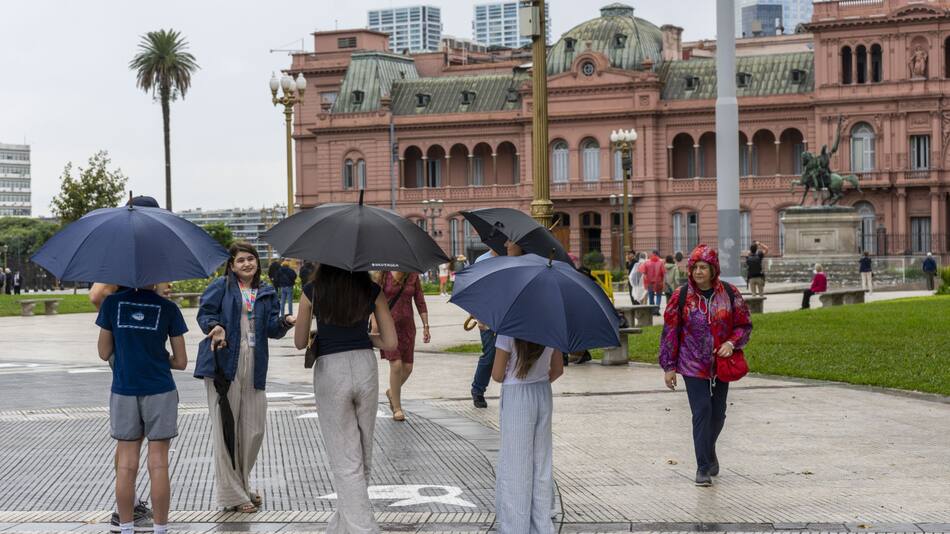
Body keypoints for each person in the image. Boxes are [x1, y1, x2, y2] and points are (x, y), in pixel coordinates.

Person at [293, 264, 397, 533]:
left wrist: (322, 333)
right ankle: (343, 524)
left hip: (330, 370)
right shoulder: (372, 290)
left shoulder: (311, 291)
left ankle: (362, 528)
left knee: (344, 455)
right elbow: (390, 343)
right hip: (364, 367)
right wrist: (362, 338)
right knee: (362, 449)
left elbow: (299, 340)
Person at [195, 242, 295, 513]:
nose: (247, 264)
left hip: (255, 362)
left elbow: (272, 329)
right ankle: (232, 495)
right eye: (241, 260)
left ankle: (240, 484)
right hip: (225, 361)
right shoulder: (221, 287)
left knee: (253, 430)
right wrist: (215, 327)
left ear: (257, 263)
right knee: (226, 430)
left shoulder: (265, 292)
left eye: (251, 259)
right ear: (231, 265)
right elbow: (205, 313)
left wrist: (285, 322)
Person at [95, 283, 189, 534]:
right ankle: (160, 529)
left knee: (126, 464)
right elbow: (181, 362)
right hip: (160, 390)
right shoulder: (169, 308)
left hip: (125, 390)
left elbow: (104, 352)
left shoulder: (112, 305)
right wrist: (160, 358)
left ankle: (125, 527)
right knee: (158, 463)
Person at [658, 244, 752, 487]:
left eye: (703, 267)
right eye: (695, 267)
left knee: (718, 413)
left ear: (713, 269)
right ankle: (702, 467)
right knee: (701, 412)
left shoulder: (729, 293)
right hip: (692, 363)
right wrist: (669, 366)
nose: (698, 272)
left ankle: (709, 451)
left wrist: (732, 342)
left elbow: (744, 325)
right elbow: (670, 332)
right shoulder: (681, 296)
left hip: (721, 363)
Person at [492, 335, 564, 533]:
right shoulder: (551, 327)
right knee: (541, 463)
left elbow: (497, 375)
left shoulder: (508, 331)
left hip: (517, 395)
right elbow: (558, 370)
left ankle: (516, 527)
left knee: (516, 466)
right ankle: (541, 525)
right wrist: (538, 378)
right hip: (542, 392)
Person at [471, 242, 522, 408]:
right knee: (490, 354)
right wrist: (479, 316)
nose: (506, 243)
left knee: (513, 352)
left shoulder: (512, 259)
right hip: (488, 314)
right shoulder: (482, 260)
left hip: (509, 312)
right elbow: (476, 290)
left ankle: (510, 391)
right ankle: (478, 389)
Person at [376, 271, 429, 422]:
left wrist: (426, 325)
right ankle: (397, 408)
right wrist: (374, 322)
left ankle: (392, 392)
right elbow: (373, 299)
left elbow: (420, 301)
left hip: (407, 327)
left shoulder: (412, 276)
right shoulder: (384, 274)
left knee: (408, 368)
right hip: (388, 326)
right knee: (396, 365)